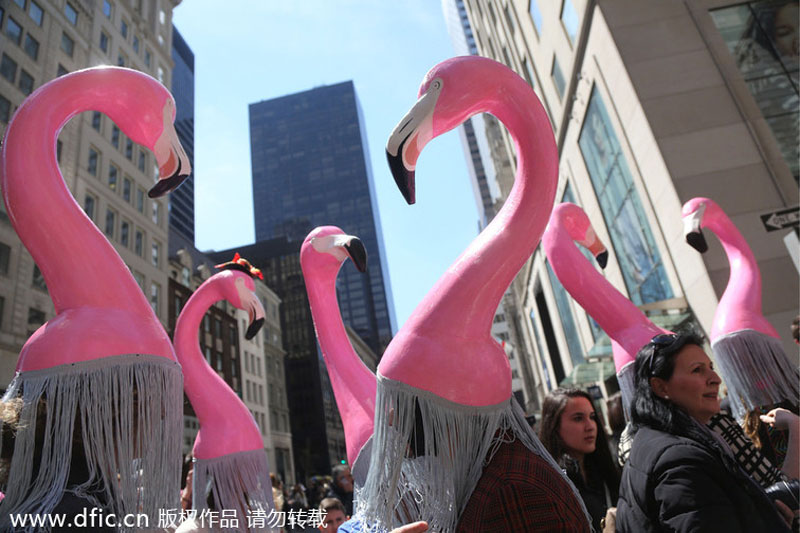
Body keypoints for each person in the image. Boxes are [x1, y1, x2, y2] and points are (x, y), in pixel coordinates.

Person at [616, 332, 794, 532]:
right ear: (661, 387)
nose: (715, 379)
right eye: (697, 370)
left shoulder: (663, 442)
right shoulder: (679, 460)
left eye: (711, 368)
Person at [539, 388, 620, 532]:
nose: (590, 426)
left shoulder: (604, 469)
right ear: (554, 426)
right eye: (578, 418)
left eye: (592, 417)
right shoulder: (553, 484)